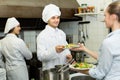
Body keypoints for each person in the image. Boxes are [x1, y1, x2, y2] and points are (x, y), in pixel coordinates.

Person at [71, 1, 120, 80]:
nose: (104, 19)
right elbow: (105, 59)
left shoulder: (109, 42)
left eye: (105, 16)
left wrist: (78, 69)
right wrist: (84, 49)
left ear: (113, 17)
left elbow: (99, 74)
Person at [37, 4, 72, 71]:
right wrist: (54, 51)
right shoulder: (42, 36)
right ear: (47, 19)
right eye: (53, 18)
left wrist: (68, 55)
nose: (56, 20)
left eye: (58, 17)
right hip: (50, 71)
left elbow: (66, 47)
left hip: (63, 69)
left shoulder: (62, 33)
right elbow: (40, 56)